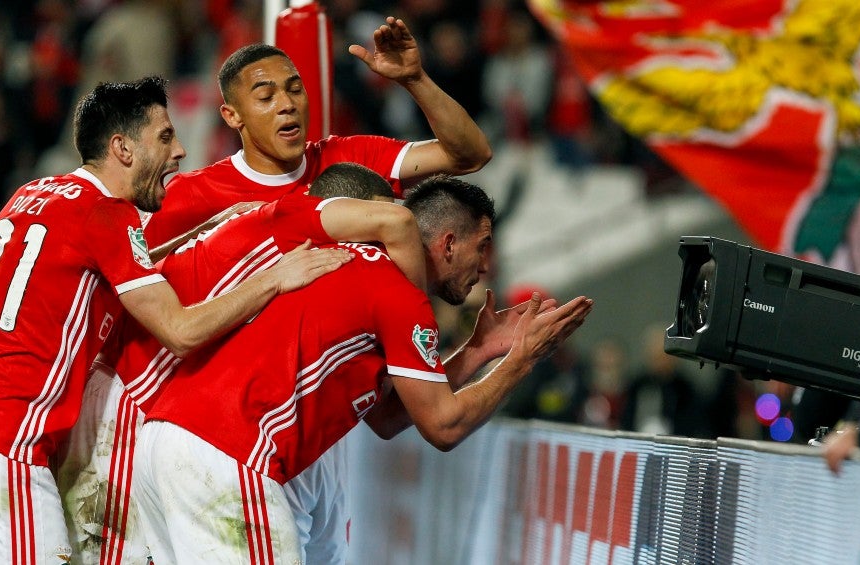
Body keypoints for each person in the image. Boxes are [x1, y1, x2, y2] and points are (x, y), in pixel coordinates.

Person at [0, 76, 351, 564]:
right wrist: (273, 277)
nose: (180, 150)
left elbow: (99, 265)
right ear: (121, 147)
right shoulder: (107, 213)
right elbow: (181, 331)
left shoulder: (34, 195)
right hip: (4, 446)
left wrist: (207, 227)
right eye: (164, 137)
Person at [132, 176, 594, 563]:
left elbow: (388, 418)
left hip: (169, 444)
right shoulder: (398, 291)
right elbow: (444, 425)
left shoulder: (362, 271)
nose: (487, 266)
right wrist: (522, 360)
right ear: (449, 243)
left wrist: (477, 352)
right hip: (227, 453)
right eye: (483, 246)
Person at [56, 162, 426, 565]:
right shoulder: (293, 221)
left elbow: (384, 418)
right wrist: (413, 315)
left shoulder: (311, 270)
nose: (387, 252)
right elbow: (399, 218)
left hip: (165, 416)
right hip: (134, 401)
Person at [141, 16, 493, 251]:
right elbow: (140, 284)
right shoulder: (189, 197)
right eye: (266, 96)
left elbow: (469, 154)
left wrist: (415, 80)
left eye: (295, 89)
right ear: (232, 116)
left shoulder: (352, 158)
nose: (287, 104)